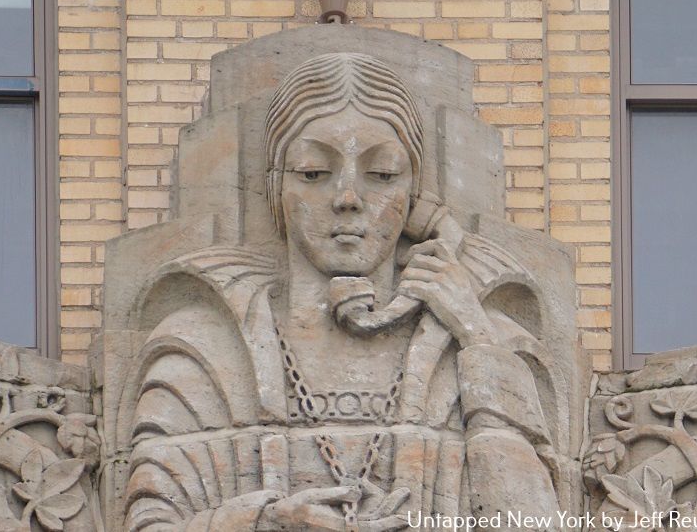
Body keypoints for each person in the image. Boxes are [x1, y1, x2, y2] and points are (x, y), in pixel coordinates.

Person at [123, 52, 560, 531]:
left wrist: (474, 334)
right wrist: (266, 522)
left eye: (383, 175)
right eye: (313, 173)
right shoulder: (202, 352)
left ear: (415, 198)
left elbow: (534, 522)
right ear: (276, 189)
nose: (348, 198)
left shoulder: (483, 344)